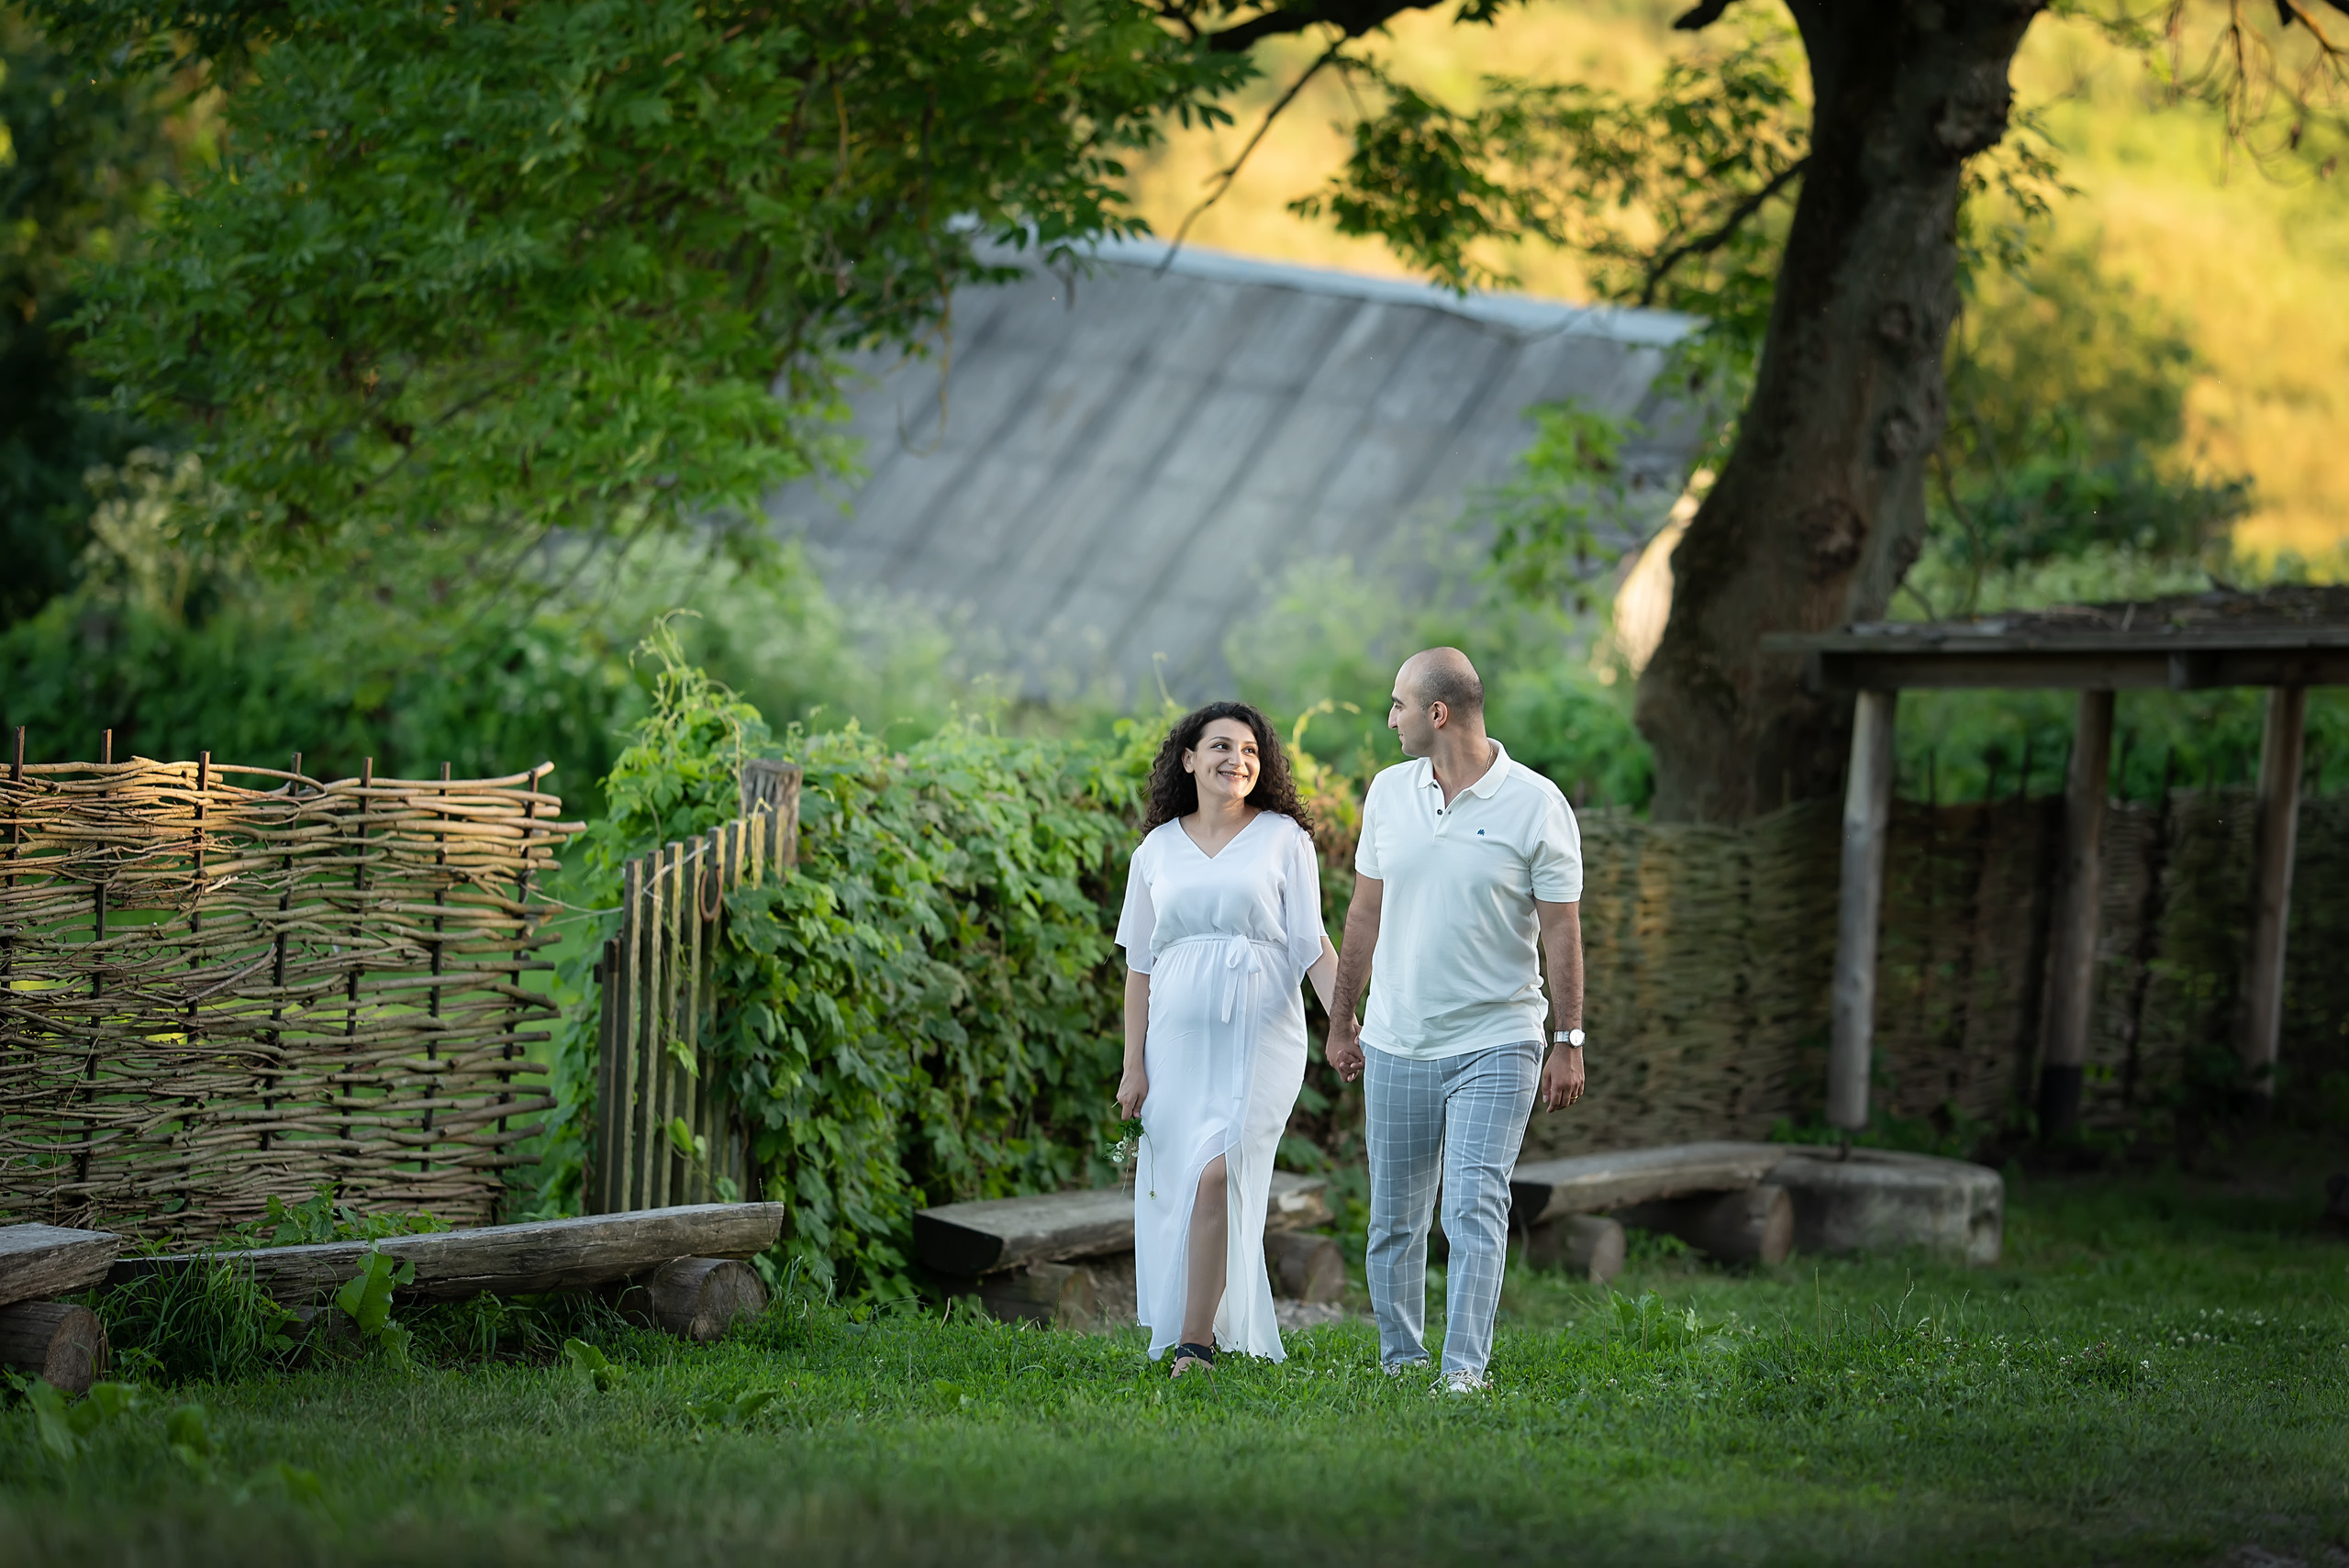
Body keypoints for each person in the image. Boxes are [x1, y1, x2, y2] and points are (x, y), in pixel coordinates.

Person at [1323, 647, 1586, 1394]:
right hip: (1397, 1040)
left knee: (1474, 1202)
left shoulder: (1536, 803)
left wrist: (1568, 1040)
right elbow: (1363, 912)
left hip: (1498, 1040)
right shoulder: (1387, 792)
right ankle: (1403, 1363)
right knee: (1394, 1220)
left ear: (1438, 713)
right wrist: (1344, 1022)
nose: (1390, 718)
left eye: (1399, 704)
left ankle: (1463, 1370)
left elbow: (1562, 930)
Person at [1115, 701, 1339, 1377]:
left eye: (1248, 750)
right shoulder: (1155, 849)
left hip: (1261, 1034)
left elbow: (1311, 943)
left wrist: (1351, 1028)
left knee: (1220, 1172)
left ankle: (1195, 1347)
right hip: (1175, 1045)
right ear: (1188, 759)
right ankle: (1200, 1327)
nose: (1235, 760)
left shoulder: (1282, 838)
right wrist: (1133, 1065)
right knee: (1187, 1182)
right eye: (1219, 746)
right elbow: (1139, 965)